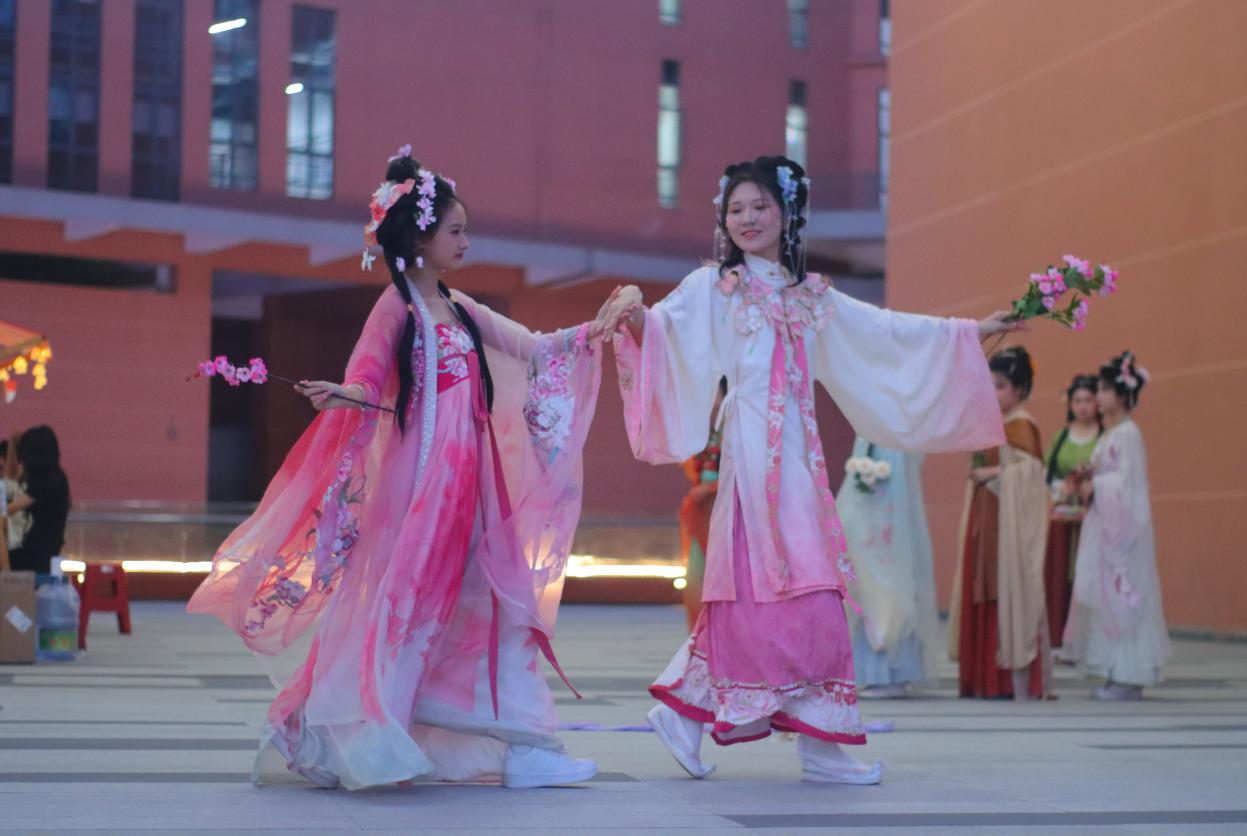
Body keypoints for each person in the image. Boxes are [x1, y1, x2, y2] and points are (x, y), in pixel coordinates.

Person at [189, 147, 636, 790]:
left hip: (473, 485)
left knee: (497, 605)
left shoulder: (462, 309)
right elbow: (368, 378)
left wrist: (599, 326)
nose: (465, 241)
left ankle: (526, 746)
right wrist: (346, 393)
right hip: (424, 486)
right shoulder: (395, 308)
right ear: (421, 238)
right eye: (456, 230)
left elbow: (537, 349)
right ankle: (366, 736)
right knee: (407, 609)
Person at [610, 155, 1020, 784]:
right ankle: (814, 747)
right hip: (753, 462)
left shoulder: (811, 298)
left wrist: (969, 334)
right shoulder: (714, 288)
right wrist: (635, 311)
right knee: (807, 597)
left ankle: (691, 717)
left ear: (787, 213)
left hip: (798, 461)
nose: (747, 218)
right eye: (736, 209)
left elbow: (884, 333)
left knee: (773, 598)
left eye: (760, 206)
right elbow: (665, 334)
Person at [1064, 351, 1170, 700]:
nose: (1099, 396)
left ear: (1122, 396)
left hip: (1124, 534)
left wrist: (1096, 485)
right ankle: (1114, 672)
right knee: (1107, 599)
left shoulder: (1127, 435)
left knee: (1125, 599)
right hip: (1107, 529)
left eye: (1104, 389)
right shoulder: (1112, 434)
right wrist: (1087, 480)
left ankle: (1129, 675)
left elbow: (1127, 486)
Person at [950, 347, 1053, 700]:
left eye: (1001, 385)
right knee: (981, 585)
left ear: (1020, 389)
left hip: (1008, 526)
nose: (993, 393)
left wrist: (993, 473)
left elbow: (1033, 475)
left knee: (1005, 589)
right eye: (989, 385)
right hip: (985, 519)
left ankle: (1006, 681)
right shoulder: (989, 423)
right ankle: (981, 680)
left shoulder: (1023, 425)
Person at [835, 437, 941, 698]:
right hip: (868, 526)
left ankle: (892, 675)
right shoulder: (870, 434)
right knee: (867, 591)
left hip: (886, 527)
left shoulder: (892, 438)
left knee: (891, 594)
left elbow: (897, 491)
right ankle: (872, 674)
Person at [1043, 375, 1102, 650]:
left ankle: (1089, 638)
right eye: (1077, 400)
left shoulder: (1104, 436)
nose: (1083, 406)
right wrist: (1062, 488)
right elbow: (1047, 473)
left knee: (1088, 573)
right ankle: (1058, 637)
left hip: (1093, 516)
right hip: (1063, 517)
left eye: (1088, 400)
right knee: (1059, 575)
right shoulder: (1061, 438)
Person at [678, 378, 726, 630]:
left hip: (725, 509)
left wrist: (710, 488)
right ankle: (700, 635)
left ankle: (718, 634)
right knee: (696, 576)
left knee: (720, 575)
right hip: (702, 512)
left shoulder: (734, 425)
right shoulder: (704, 428)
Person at [6, 426, 70, 576]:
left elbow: (10, 509)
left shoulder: (48, 483)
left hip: (37, 553)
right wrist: (12, 444)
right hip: (40, 548)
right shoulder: (55, 475)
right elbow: (10, 477)